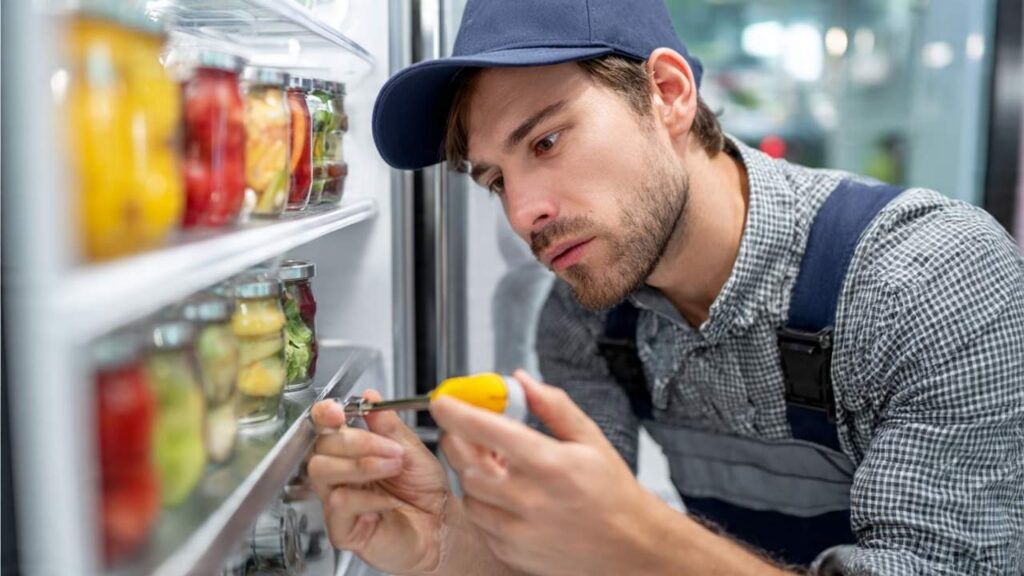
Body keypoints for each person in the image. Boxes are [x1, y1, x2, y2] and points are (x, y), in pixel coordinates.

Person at [307, 0, 1024, 573]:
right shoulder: (586, 319)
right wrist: (449, 548)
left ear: (669, 94)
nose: (526, 213)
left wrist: (642, 541)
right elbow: (573, 559)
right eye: (496, 179)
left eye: (547, 141)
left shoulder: (930, 277)